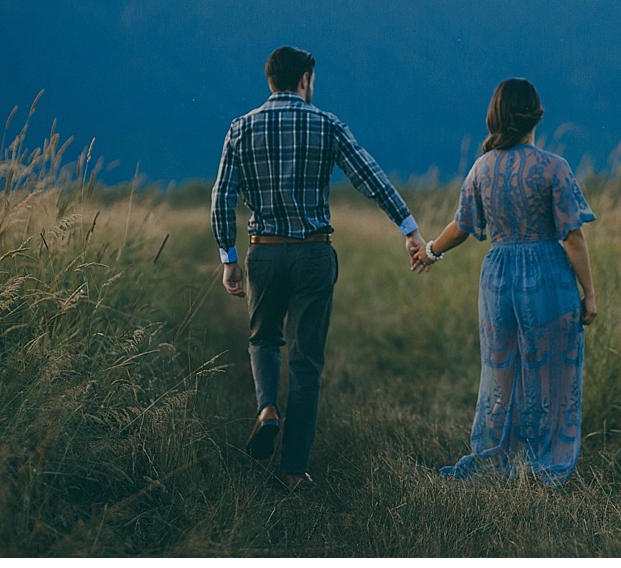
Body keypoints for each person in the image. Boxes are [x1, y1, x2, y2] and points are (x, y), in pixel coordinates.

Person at [212, 45, 425, 492]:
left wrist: (228, 258)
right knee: (306, 362)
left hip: (264, 253)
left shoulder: (240, 128)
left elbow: (221, 196)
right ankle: (293, 471)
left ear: (270, 80)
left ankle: (268, 407)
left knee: (264, 339)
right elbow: (370, 176)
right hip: (313, 253)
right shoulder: (326, 124)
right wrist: (408, 227)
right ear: (305, 79)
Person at [411, 77, 597, 485]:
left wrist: (429, 251)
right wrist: (590, 294)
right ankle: (544, 463)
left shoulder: (482, 168)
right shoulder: (553, 167)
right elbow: (573, 237)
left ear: (495, 115)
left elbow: (461, 227)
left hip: (498, 278)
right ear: (536, 115)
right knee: (553, 374)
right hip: (547, 274)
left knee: (502, 371)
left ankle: (499, 458)